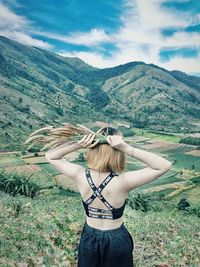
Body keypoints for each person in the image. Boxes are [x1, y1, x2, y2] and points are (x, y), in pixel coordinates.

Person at [45, 126, 172, 267]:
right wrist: (126, 147)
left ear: (93, 149)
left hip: (89, 238)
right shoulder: (123, 182)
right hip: (116, 241)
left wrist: (78, 144)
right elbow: (164, 165)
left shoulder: (80, 175)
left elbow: (50, 156)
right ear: (117, 153)